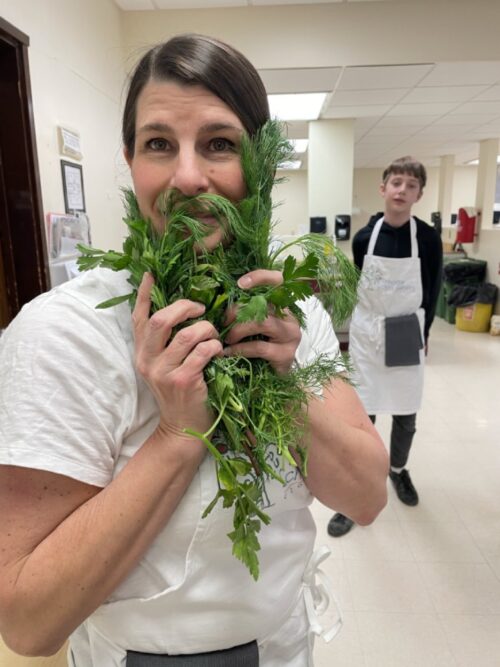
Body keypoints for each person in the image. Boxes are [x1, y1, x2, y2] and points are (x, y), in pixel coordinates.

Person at [0, 34, 388, 666]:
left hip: (284, 648)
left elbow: (367, 498)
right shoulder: (61, 334)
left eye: (219, 144)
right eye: (159, 144)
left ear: (260, 164)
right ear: (129, 160)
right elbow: (28, 622)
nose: (187, 176)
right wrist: (178, 434)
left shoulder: (294, 314)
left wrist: (285, 384)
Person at [328, 156, 443, 539]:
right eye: (396, 182)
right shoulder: (365, 237)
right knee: (364, 412)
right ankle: (359, 484)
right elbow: (359, 282)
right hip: (367, 330)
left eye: (411, 185)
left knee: (406, 410)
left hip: (406, 329)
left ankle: (397, 470)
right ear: (384, 188)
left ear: (419, 195)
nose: (402, 190)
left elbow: (433, 286)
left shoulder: (426, 238)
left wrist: (423, 334)